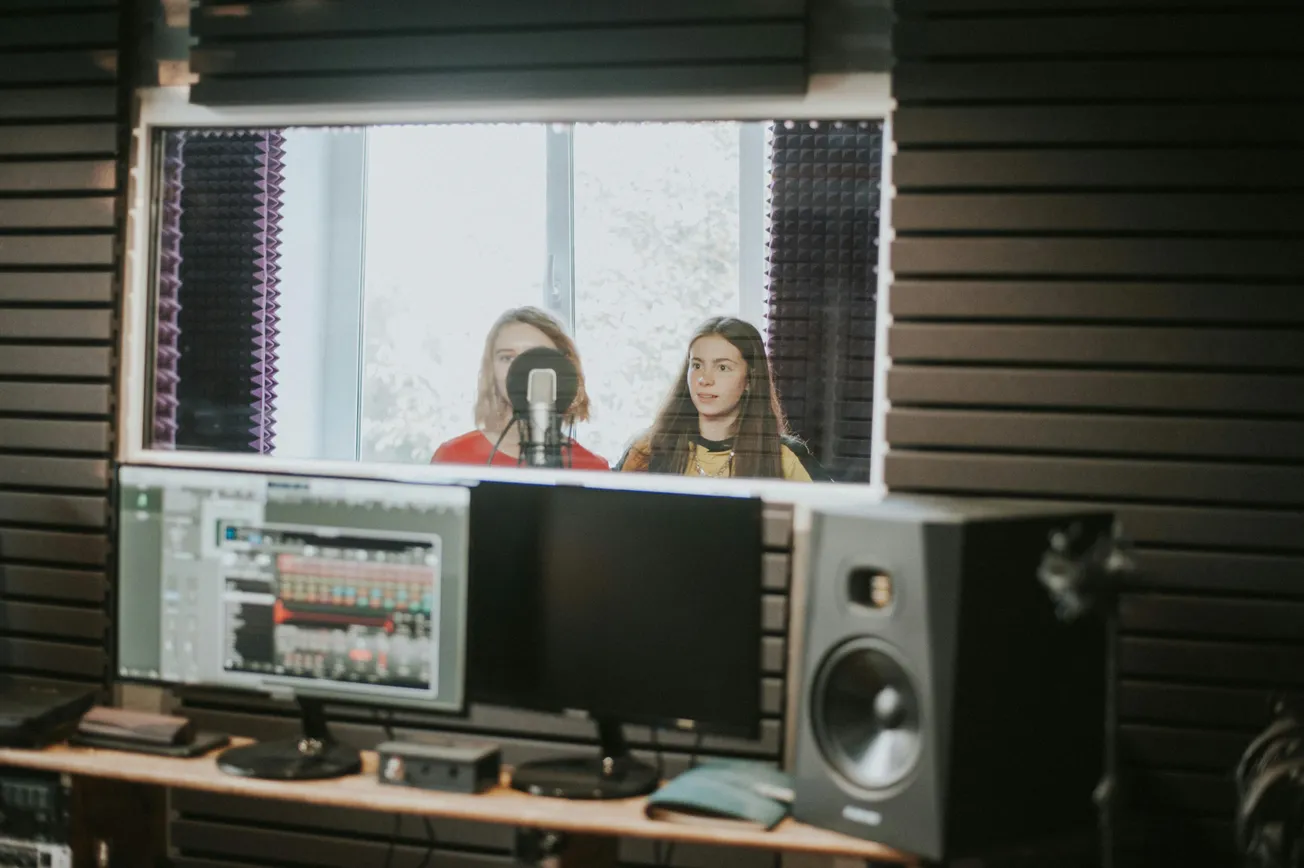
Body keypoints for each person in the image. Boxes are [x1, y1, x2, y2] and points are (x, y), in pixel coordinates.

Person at [616, 316, 826, 481]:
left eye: (722, 367)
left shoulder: (785, 457)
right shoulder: (646, 449)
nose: (704, 379)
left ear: (750, 379)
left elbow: (836, 524)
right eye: (697, 365)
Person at [431, 307, 608, 470]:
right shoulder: (455, 458)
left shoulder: (593, 469)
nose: (521, 369)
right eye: (507, 358)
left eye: (535, 356)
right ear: (491, 370)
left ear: (563, 369)